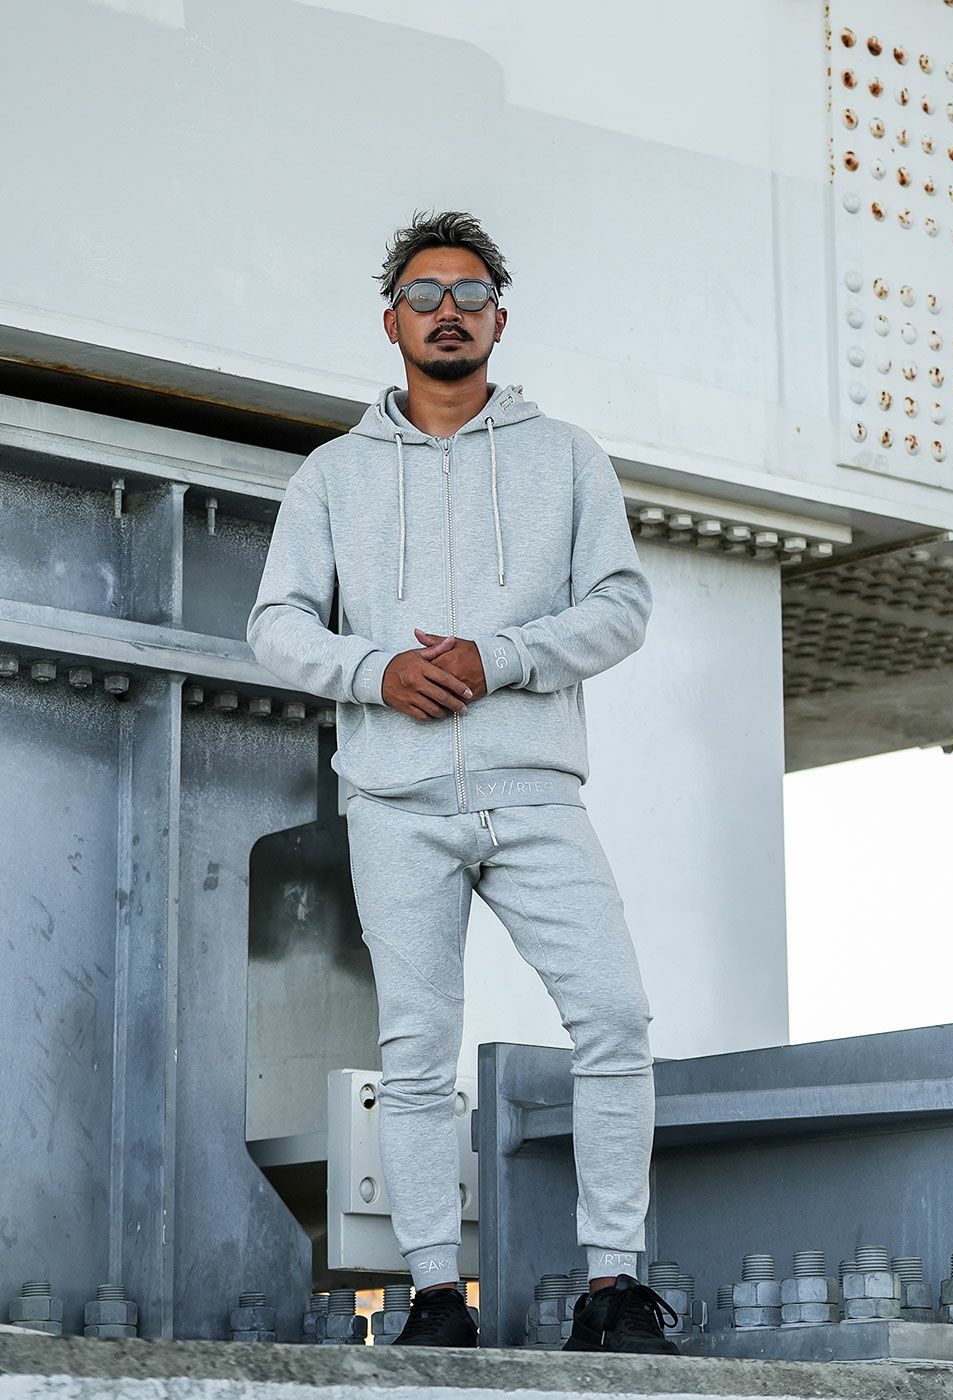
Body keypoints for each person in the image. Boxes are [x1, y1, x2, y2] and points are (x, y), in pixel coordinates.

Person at [246, 210, 678, 1353]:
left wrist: (502, 655)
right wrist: (376, 670)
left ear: (499, 317)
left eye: (471, 294)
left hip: (533, 789)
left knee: (614, 1014)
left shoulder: (566, 456)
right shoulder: (333, 475)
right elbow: (275, 623)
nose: (449, 311)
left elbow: (622, 604)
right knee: (415, 1048)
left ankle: (611, 1284)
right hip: (395, 799)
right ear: (390, 320)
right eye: (426, 294)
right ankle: (435, 1292)